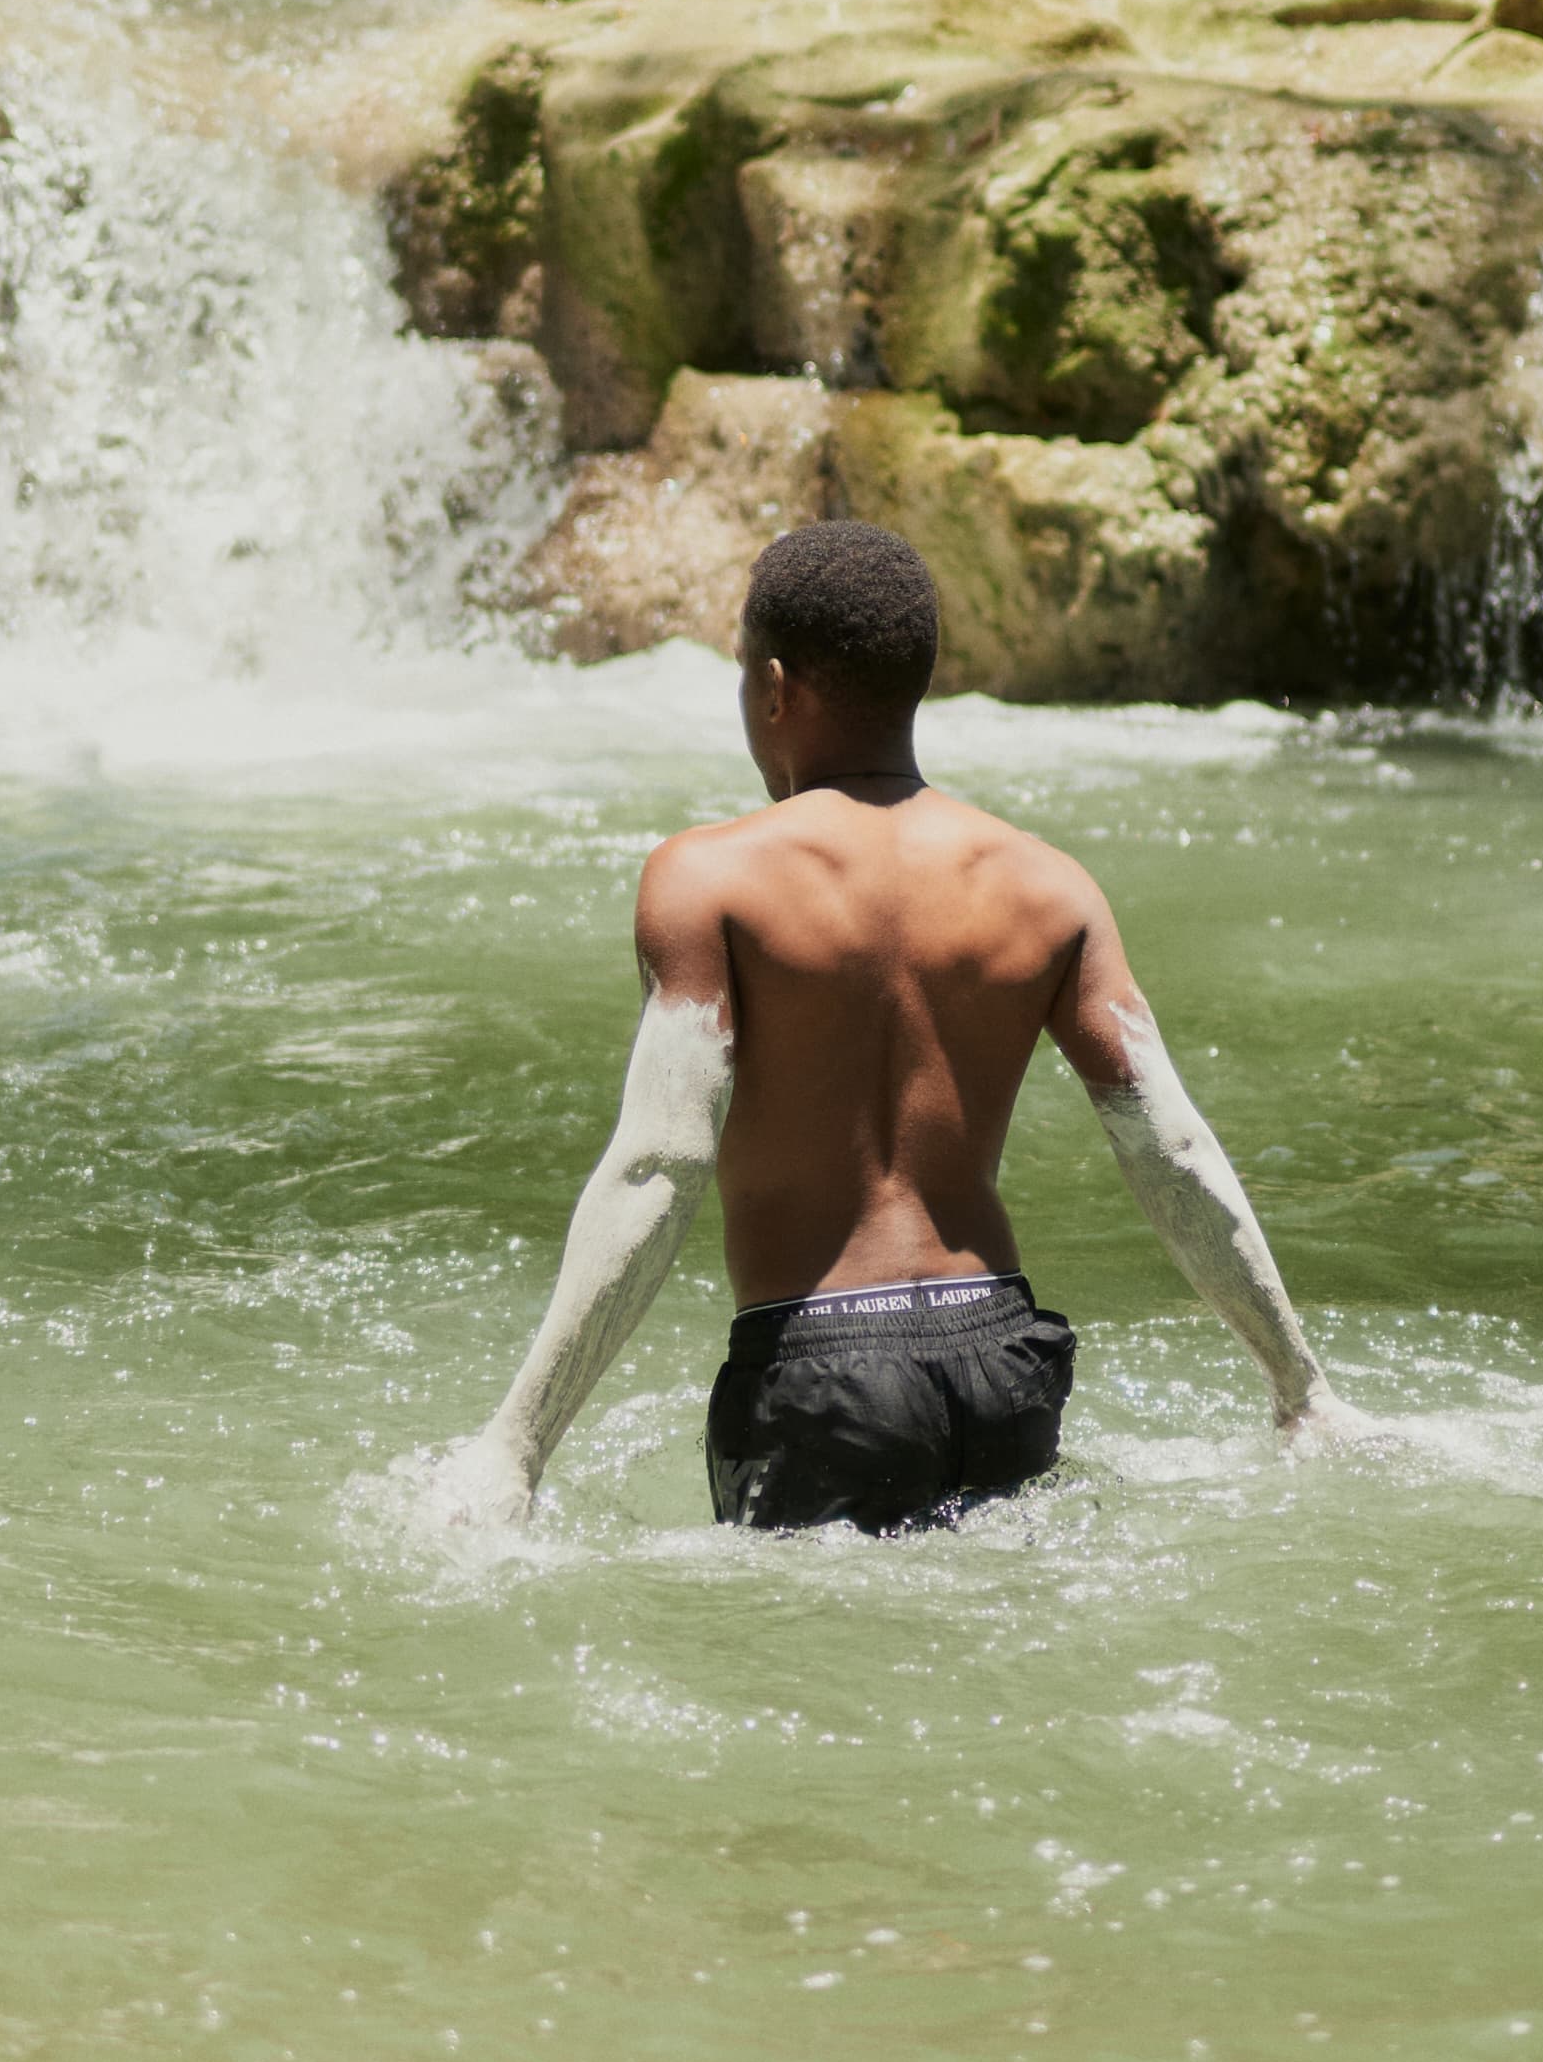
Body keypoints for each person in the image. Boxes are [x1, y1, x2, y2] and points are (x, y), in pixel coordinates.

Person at [439, 520, 1345, 1533]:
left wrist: (513, 1446)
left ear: (774, 687)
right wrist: (1301, 1388)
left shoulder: (705, 880)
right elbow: (1168, 1144)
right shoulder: (1047, 886)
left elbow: (660, 1159)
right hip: (1004, 1361)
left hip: (817, 1381)